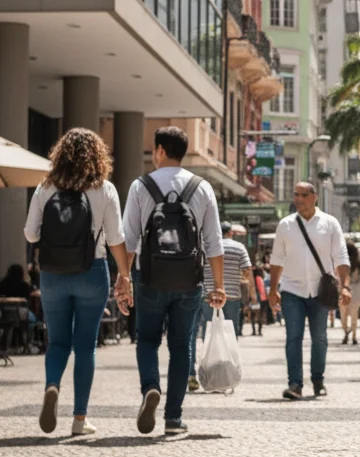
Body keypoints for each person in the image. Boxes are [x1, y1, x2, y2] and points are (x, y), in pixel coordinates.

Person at [23, 128, 133, 436]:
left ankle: (52, 386)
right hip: (91, 273)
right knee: (86, 345)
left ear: (60, 154)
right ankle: (79, 420)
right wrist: (125, 276)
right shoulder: (104, 188)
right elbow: (116, 238)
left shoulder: (46, 187)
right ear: (98, 156)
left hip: (53, 275)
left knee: (57, 342)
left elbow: (31, 234)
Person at [122, 126, 226, 436]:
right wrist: (218, 285)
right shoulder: (201, 187)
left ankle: (151, 387)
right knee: (181, 347)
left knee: (148, 339)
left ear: (159, 150)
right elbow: (214, 241)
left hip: (149, 277)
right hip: (189, 280)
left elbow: (128, 239)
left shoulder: (141, 186)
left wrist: (123, 278)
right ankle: (173, 417)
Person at [268, 182, 351, 399]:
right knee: (293, 337)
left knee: (320, 337)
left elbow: (341, 257)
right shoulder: (285, 225)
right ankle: (295, 384)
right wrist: (273, 289)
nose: (299, 199)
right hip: (291, 290)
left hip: (320, 291)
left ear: (314, 197)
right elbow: (276, 259)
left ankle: (318, 380)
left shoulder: (330, 223)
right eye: (295, 194)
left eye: (303, 195)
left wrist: (346, 286)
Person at [189, 222, 253, 390]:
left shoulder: (206, 246)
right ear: (230, 232)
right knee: (230, 335)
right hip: (231, 296)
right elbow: (247, 271)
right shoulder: (239, 247)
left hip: (209, 296)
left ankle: (211, 373)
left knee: (210, 333)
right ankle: (229, 375)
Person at [339, 239, 360, 345]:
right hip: (356, 290)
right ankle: (354, 336)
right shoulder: (358, 263)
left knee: (343, 315)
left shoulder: (342, 264)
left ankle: (346, 332)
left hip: (343, 290)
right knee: (354, 315)